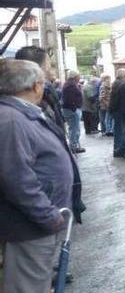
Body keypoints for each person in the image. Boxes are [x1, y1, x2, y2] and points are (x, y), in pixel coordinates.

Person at [0, 59, 85, 293]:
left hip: (38, 223)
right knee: (27, 287)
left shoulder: (19, 114)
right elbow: (16, 180)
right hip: (31, 225)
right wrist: (48, 216)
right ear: (36, 86)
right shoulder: (11, 120)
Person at [14, 46, 64, 127]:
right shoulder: (36, 96)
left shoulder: (46, 91)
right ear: (38, 68)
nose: (49, 69)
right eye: (48, 65)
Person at [60, 70, 85, 154]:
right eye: (79, 76)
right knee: (74, 129)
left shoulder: (70, 84)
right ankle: (73, 146)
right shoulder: (71, 85)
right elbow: (69, 99)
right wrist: (74, 108)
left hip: (71, 109)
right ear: (75, 76)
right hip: (72, 110)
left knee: (74, 128)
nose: (80, 77)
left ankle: (74, 145)